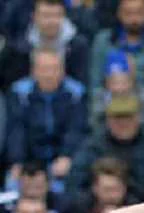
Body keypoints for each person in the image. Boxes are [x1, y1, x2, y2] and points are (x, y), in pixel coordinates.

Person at [6, 47, 88, 185]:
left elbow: (77, 128)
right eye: (43, 69)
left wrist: (67, 156)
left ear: (63, 71)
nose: (49, 75)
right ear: (33, 71)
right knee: (12, 184)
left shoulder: (76, 93)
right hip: (29, 161)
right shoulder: (19, 93)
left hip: (62, 159)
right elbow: (16, 130)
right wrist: (17, 161)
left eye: (54, 69)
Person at [88, 0, 144, 105]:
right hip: (110, 107)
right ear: (119, 13)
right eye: (128, 13)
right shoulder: (103, 41)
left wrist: (139, 101)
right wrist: (115, 101)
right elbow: (95, 87)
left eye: (139, 12)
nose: (134, 19)